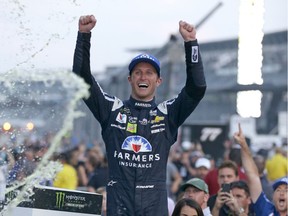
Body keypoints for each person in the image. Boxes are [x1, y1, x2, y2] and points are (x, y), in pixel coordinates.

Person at [72, 15, 206, 215]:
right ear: (130, 79)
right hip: (119, 206)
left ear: (158, 80)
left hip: (154, 207)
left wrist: (191, 44)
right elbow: (82, 79)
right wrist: (84, 36)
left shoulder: (168, 113)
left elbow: (197, 88)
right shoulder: (112, 110)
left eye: (149, 72)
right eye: (138, 72)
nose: (143, 76)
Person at [233, 123, 288, 216]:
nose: (281, 193)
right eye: (278, 190)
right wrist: (243, 144)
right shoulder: (266, 209)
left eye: (286, 190)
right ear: (273, 196)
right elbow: (252, 176)